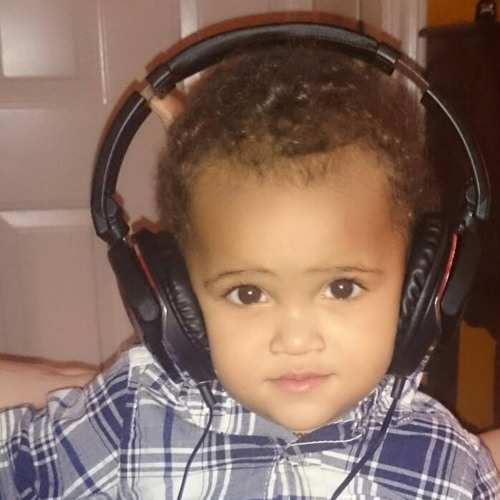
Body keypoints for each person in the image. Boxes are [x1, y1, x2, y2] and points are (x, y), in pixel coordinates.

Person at [1, 28, 499, 499]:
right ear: (178, 298)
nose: (295, 340)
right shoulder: (131, 417)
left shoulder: (446, 463)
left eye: (342, 287)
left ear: (423, 291)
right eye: (248, 293)